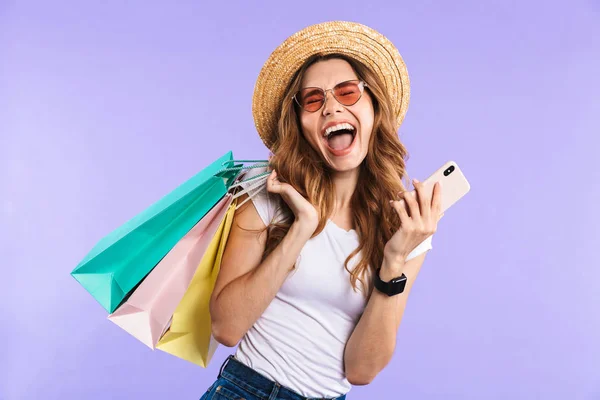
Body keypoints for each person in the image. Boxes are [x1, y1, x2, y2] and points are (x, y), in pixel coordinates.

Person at [201, 21, 443, 400]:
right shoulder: (268, 188)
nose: (331, 107)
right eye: (313, 100)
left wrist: (394, 259)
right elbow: (226, 328)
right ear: (300, 122)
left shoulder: (404, 228)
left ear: (374, 107)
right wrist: (301, 228)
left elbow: (362, 371)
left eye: (347, 92)